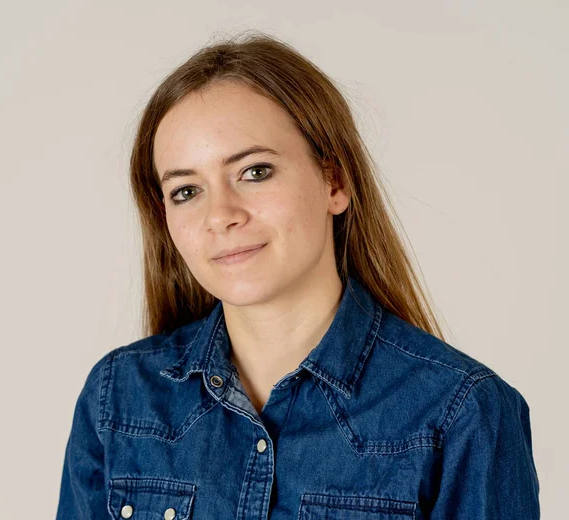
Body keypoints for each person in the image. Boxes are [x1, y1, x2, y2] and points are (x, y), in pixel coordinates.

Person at [55, 31, 540, 519]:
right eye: (186, 191)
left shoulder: (462, 413)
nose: (220, 214)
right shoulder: (116, 396)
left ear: (335, 181)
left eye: (255, 172)